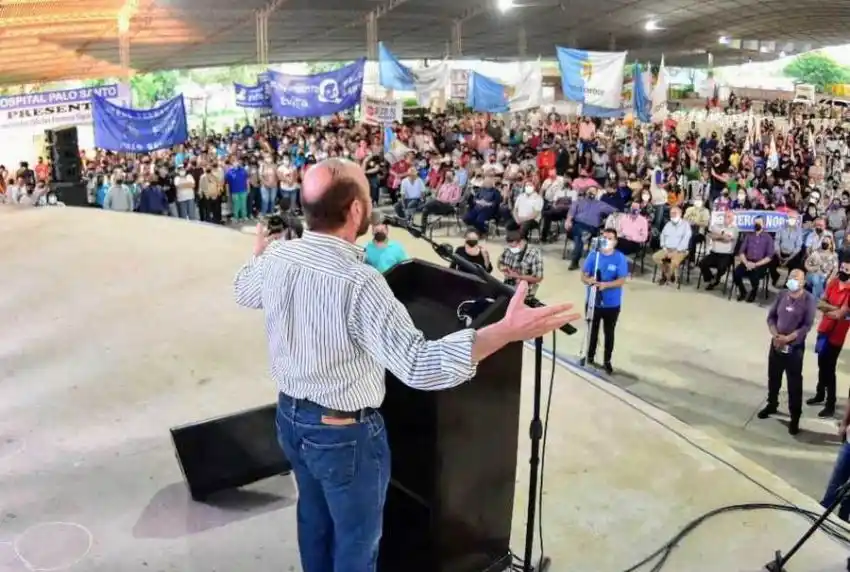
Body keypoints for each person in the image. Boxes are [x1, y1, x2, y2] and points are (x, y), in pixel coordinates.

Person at [232, 158, 580, 572]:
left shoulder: (279, 258)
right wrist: (502, 333)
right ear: (357, 210)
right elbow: (418, 366)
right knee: (356, 543)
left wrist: (258, 254)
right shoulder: (359, 282)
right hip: (344, 436)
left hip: (291, 419)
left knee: (314, 518)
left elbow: (243, 290)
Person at [757, 269, 816, 435]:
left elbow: (807, 326)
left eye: (796, 279)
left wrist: (789, 337)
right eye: (790, 277)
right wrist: (776, 334)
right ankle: (772, 403)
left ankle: (795, 416)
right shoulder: (782, 295)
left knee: (794, 383)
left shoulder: (808, 300)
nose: (792, 281)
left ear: (803, 282)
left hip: (794, 349)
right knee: (774, 376)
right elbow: (771, 317)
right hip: (776, 343)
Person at [580, 228, 629, 374]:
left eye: (610, 238)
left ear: (615, 241)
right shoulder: (593, 256)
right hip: (593, 302)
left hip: (611, 303)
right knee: (592, 331)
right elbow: (583, 275)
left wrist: (605, 285)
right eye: (604, 238)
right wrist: (589, 280)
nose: (606, 241)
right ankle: (589, 356)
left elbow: (621, 280)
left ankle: (607, 360)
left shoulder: (619, 258)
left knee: (609, 332)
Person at [807, 257, 850, 418]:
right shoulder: (833, 283)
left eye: (847, 270)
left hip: (836, 335)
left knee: (829, 368)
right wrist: (834, 309)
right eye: (842, 269)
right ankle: (820, 394)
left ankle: (830, 403)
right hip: (823, 329)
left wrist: (830, 310)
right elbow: (820, 303)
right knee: (821, 363)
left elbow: (841, 314)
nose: (843, 272)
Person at [732, 216, 774, 302]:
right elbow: (741, 252)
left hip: (760, 263)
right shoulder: (748, 236)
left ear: (764, 225)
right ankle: (743, 291)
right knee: (736, 273)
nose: (757, 224)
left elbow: (769, 256)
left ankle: (754, 292)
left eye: (759, 223)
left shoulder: (768, 238)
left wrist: (755, 264)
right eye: (755, 223)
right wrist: (746, 263)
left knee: (754, 275)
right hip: (747, 261)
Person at [498, 229, 544, 298]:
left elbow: (538, 278)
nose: (511, 249)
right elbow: (500, 263)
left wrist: (518, 276)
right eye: (510, 246)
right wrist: (503, 269)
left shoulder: (535, 254)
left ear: (523, 242)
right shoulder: (508, 250)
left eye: (513, 246)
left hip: (525, 287)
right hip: (508, 284)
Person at [699, 209, 739, 289]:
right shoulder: (716, 225)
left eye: (729, 217)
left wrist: (717, 236)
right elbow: (710, 236)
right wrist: (722, 236)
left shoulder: (734, 229)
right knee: (702, 263)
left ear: (732, 219)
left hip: (726, 255)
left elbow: (727, 240)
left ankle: (716, 279)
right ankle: (711, 279)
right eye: (725, 216)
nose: (726, 218)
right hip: (714, 253)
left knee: (722, 267)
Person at [652, 206, 691, 286]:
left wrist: (675, 252)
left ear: (680, 214)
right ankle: (668, 275)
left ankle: (666, 277)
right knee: (656, 257)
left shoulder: (685, 225)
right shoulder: (668, 224)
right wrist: (665, 248)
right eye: (671, 214)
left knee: (673, 262)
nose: (672, 215)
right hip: (667, 249)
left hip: (680, 251)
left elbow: (685, 240)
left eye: (674, 213)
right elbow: (662, 236)